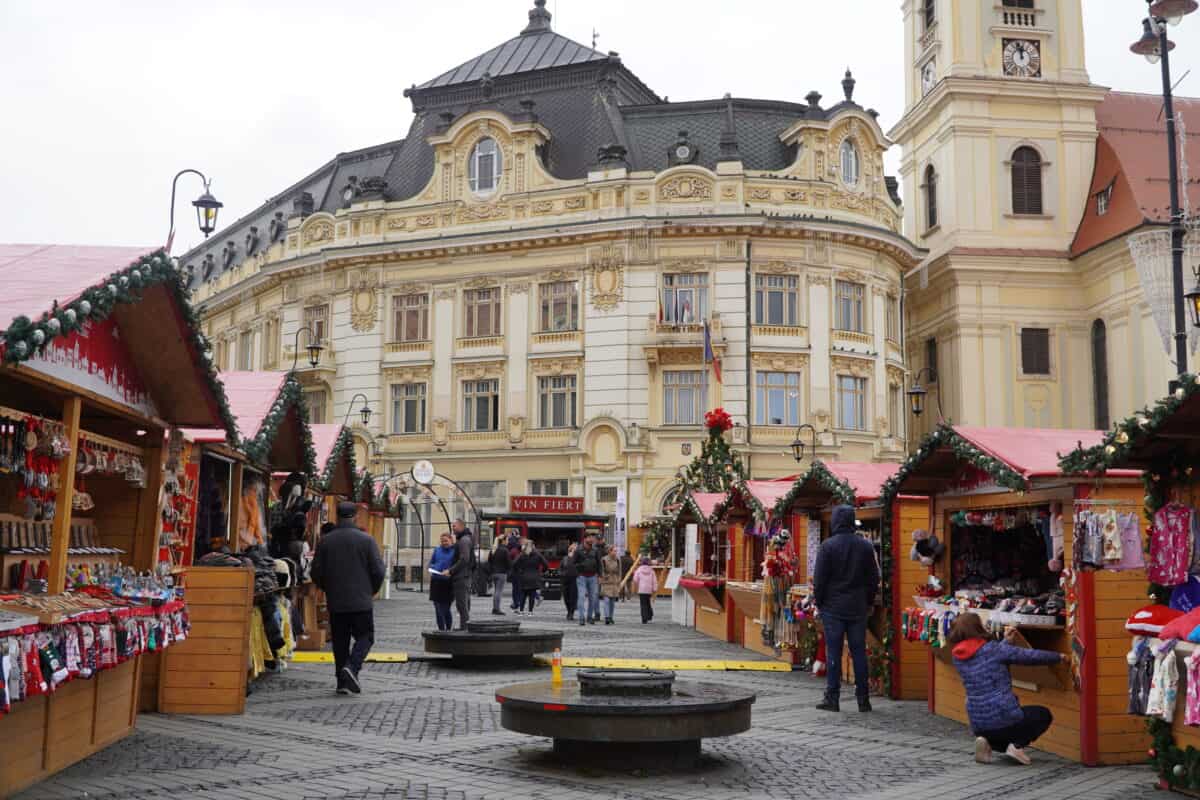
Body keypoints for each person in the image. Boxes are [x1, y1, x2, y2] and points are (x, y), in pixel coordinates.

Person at [948, 613, 1062, 765]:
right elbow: (1029, 656)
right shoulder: (992, 650)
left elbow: (986, 656)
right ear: (977, 628)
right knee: (1042, 715)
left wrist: (1006, 642)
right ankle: (1016, 746)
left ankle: (987, 742)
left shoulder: (958, 656)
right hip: (1004, 716)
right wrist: (1059, 656)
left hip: (978, 723)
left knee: (998, 731)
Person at [311, 501, 385, 696]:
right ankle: (352, 668)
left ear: (336, 515)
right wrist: (371, 590)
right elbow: (378, 571)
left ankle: (341, 682)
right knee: (366, 637)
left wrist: (328, 588)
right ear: (355, 517)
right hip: (361, 600)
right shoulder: (367, 540)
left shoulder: (326, 541)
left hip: (337, 601)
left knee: (340, 642)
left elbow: (316, 571)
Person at [812, 504, 880, 713]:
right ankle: (863, 699)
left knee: (834, 652)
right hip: (858, 607)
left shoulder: (828, 546)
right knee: (859, 652)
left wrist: (820, 602)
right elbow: (873, 578)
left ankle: (833, 698)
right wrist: (868, 602)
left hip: (833, 607)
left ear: (834, 521)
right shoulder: (866, 546)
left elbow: (820, 580)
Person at [447, 518, 474, 629]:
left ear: (461, 526)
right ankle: (464, 627)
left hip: (462, 577)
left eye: (454, 526)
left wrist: (450, 570)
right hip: (464, 576)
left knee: (462, 605)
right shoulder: (464, 539)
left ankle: (464, 629)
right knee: (464, 605)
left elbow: (464, 559)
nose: (452, 528)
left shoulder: (464, 540)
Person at [428, 532, 457, 631]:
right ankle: (441, 630)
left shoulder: (455, 551)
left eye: (446, 541)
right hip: (436, 582)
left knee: (445, 608)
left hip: (448, 583)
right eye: (442, 541)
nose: (444, 543)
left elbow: (457, 566)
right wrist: (432, 568)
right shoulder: (437, 550)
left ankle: (448, 629)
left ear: (451, 540)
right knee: (437, 608)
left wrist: (450, 572)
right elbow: (431, 562)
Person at [512, 541, 548, 616]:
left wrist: (519, 571)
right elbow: (545, 564)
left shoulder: (522, 555)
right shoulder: (538, 554)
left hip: (523, 576)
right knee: (532, 595)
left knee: (523, 595)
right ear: (533, 546)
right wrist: (541, 572)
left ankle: (521, 611)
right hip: (534, 576)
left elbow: (514, 563)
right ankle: (530, 612)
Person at [573, 535, 601, 626]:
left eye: (592, 538)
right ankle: (581, 617)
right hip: (582, 576)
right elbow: (573, 563)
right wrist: (579, 569)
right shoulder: (578, 550)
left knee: (593, 598)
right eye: (589, 537)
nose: (591, 539)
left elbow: (599, 563)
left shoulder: (595, 550)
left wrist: (600, 575)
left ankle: (589, 616)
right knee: (581, 597)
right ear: (585, 539)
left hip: (593, 576)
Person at [487, 536, 511, 615]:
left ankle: (495, 608)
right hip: (502, 573)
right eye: (507, 540)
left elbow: (489, 561)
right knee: (498, 592)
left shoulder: (493, 550)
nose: (508, 541)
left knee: (496, 591)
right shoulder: (505, 550)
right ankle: (496, 609)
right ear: (503, 541)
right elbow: (508, 563)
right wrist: (508, 570)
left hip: (494, 573)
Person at [599, 547, 622, 625]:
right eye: (614, 551)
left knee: (612, 602)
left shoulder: (618, 560)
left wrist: (619, 580)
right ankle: (607, 617)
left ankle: (611, 617)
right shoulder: (604, 560)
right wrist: (603, 576)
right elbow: (601, 570)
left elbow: (620, 571)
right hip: (606, 582)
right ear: (609, 551)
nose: (615, 552)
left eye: (616, 551)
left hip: (614, 582)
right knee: (606, 600)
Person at [631, 557, 657, 623]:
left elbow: (635, 580)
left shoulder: (639, 570)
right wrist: (654, 589)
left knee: (643, 604)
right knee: (648, 602)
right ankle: (649, 615)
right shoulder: (652, 571)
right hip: (649, 589)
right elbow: (654, 581)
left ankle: (644, 618)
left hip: (641, 589)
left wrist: (634, 589)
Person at [560, 542, 579, 621]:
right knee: (566, 597)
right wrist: (562, 573)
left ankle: (571, 613)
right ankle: (569, 610)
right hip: (565, 579)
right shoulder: (565, 558)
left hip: (574, 579)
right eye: (572, 549)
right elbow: (560, 568)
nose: (573, 550)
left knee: (573, 597)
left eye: (575, 549)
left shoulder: (578, 559)